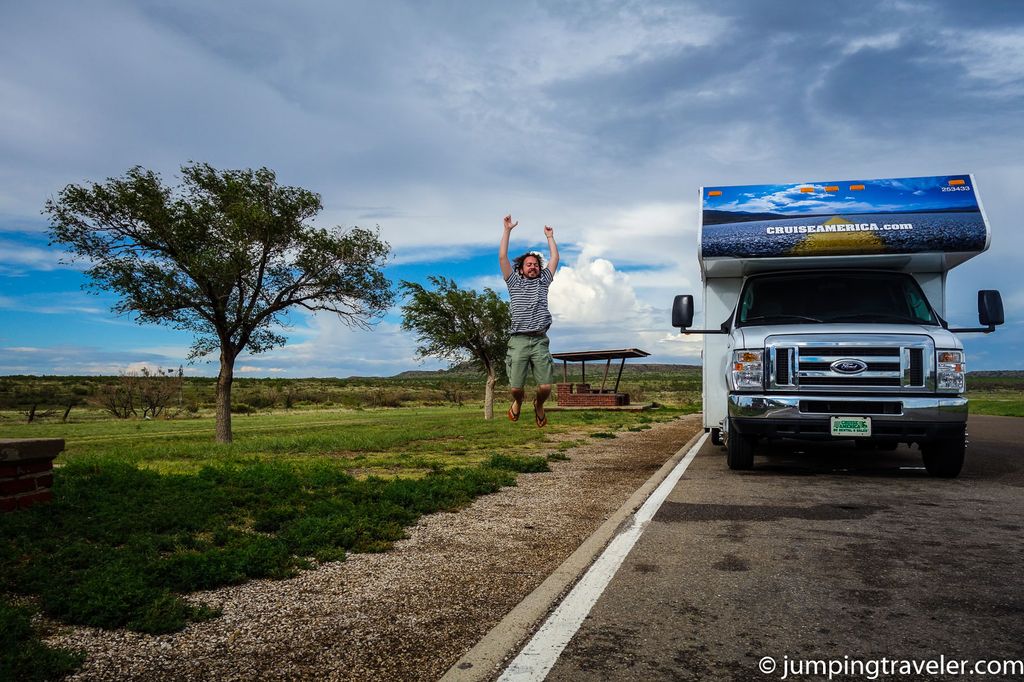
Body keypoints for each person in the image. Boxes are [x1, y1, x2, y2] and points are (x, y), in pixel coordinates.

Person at [499, 214, 559, 427]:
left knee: (545, 388)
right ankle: (518, 402)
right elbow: (503, 258)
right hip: (518, 341)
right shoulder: (513, 282)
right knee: (516, 388)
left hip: (540, 340)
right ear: (521, 269)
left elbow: (554, 260)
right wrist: (507, 230)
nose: (532, 267)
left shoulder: (544, 282)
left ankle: (539, 405)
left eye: (535, 264)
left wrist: (550, 237)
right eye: (528, 264)